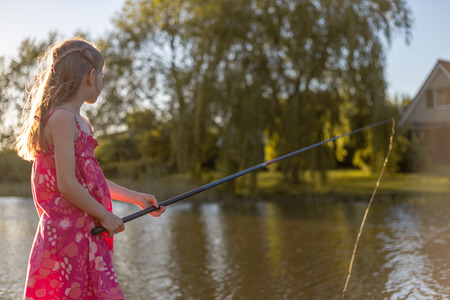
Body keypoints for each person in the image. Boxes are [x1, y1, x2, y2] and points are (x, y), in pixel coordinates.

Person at [15, 37, 165, 300]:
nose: (102, 82)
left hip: (87, 235)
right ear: (91, 76)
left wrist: (135, 199)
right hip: (66, 241)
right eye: (102, 75)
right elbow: (67, 184)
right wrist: (105, 216)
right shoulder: (62, 118)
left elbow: (91, 181)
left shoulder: (82, 123)